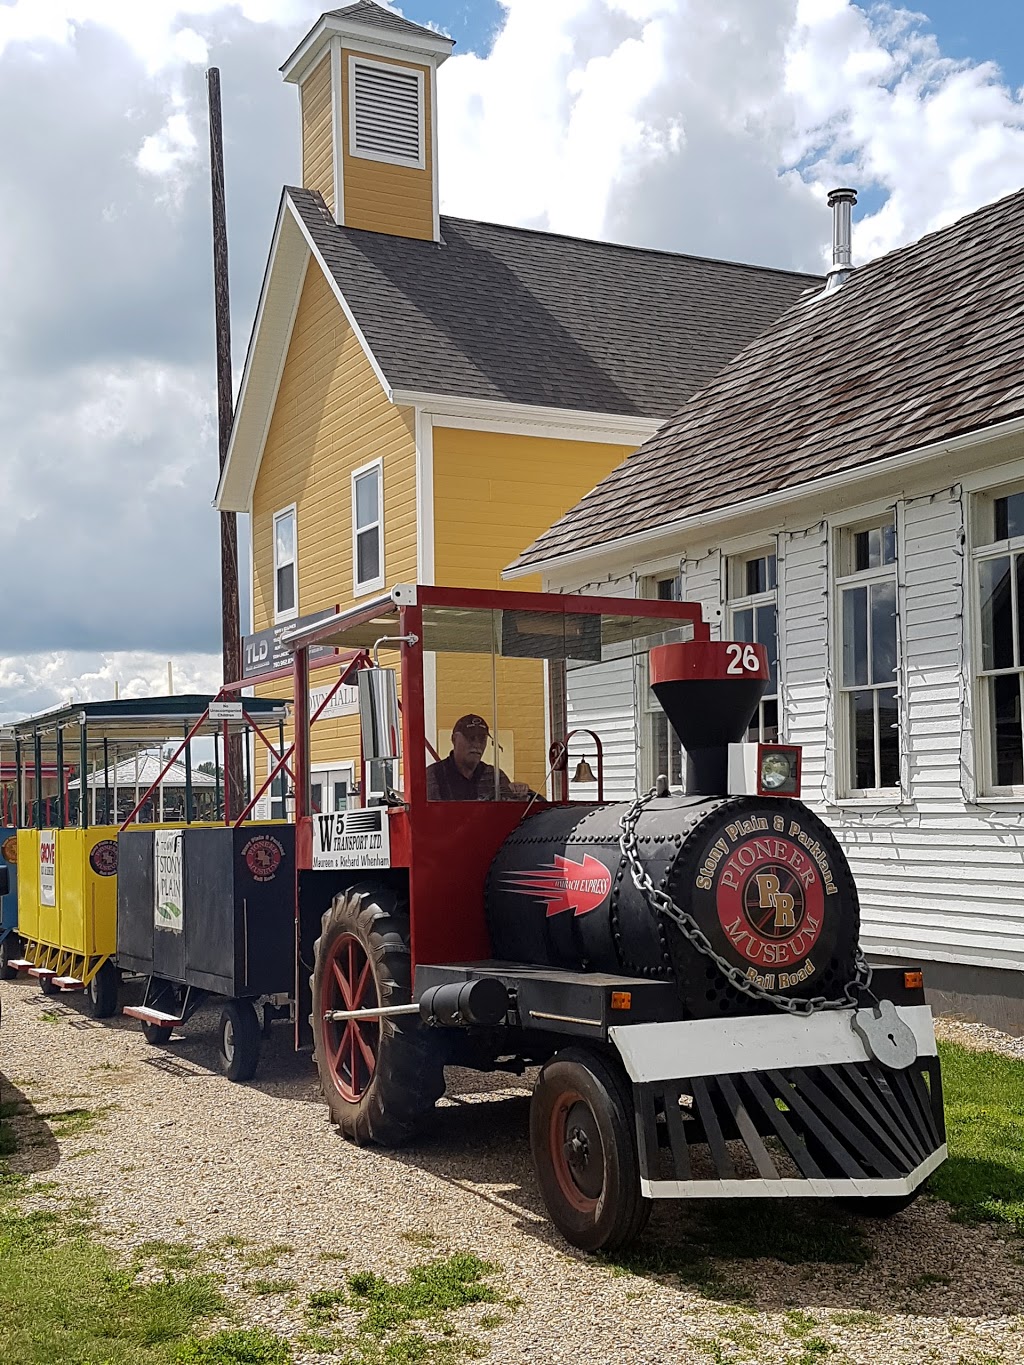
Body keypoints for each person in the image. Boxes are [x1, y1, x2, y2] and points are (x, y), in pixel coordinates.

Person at [426, 714, 533, 801]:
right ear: (454, 739)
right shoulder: (433, 776)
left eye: (482, 739)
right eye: (471, 738)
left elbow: (510, 813)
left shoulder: (495, 776)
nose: (477, 744)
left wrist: (520, 795)